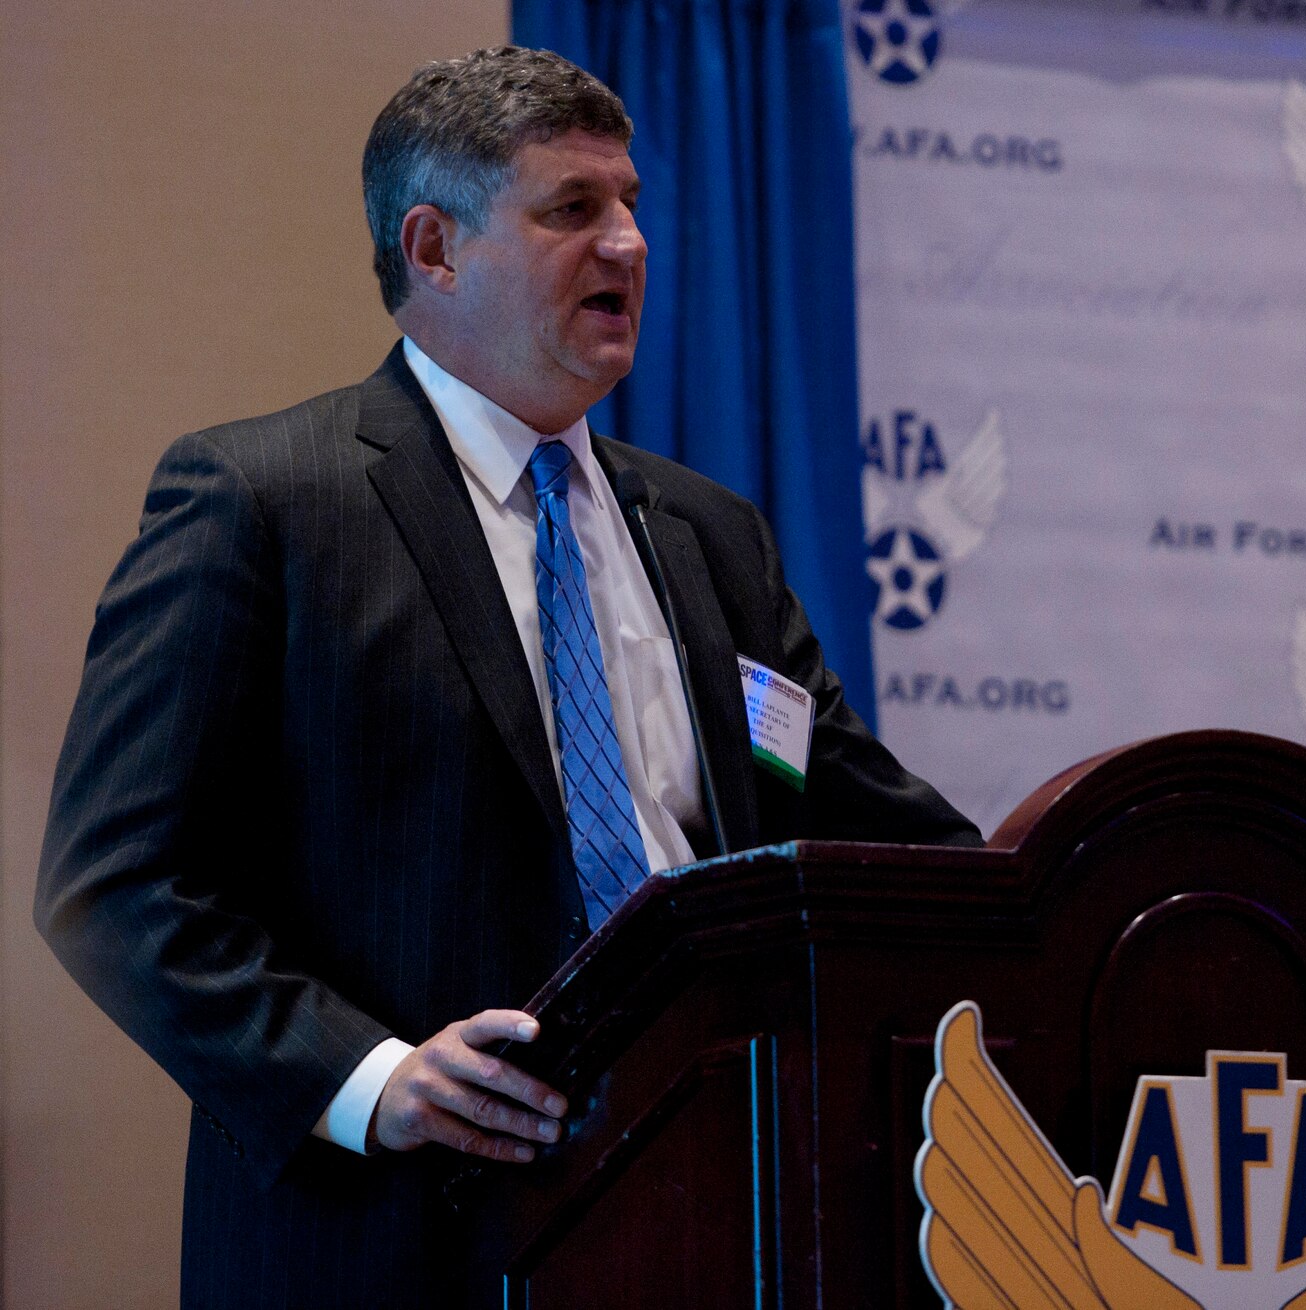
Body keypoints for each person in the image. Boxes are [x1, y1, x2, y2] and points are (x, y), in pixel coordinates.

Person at [35, 46, 978, 1308]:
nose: (629, 244)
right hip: (391, 1239)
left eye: (632, 203)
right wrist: (372, 1079)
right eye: (572, 209)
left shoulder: (709, 536)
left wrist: (1036, 918)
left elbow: (854, 824)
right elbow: (115, 882)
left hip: (715, 1212)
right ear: (433, 248)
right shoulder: (264, 503)